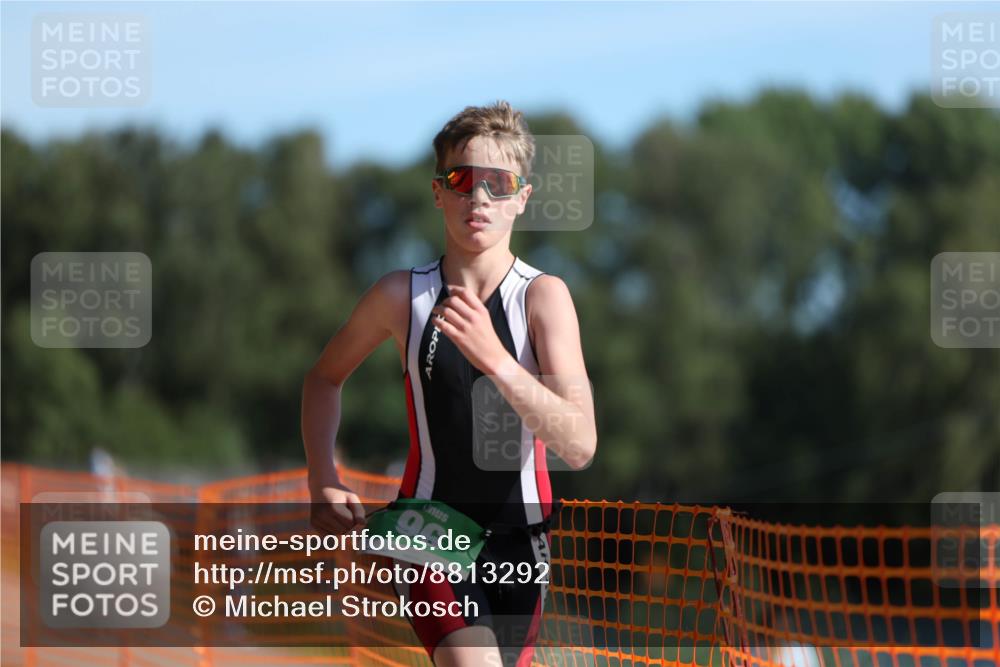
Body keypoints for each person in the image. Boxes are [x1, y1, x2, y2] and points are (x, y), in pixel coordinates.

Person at [302, 100, 597, 667]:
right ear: (438, 191)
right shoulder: (402, 297)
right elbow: (323, 379)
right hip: (430, 530)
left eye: (498, 183)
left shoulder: (544, 298)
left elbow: (580, 444)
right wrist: (322, 476)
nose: (479, 199)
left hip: (523, 544)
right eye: (462, 181)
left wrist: (499, 361)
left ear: (522, 198)